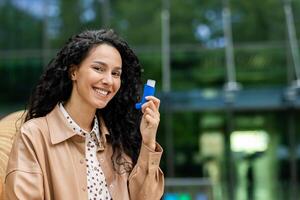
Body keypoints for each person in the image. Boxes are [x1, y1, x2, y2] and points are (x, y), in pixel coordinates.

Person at [4, 29, 164, 200]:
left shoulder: (116, 140)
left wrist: (148, 141)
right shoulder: (34, 135)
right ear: (74, 72)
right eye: (98, 68)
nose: (109, 80)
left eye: (115, 73)